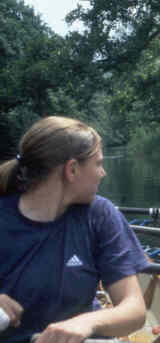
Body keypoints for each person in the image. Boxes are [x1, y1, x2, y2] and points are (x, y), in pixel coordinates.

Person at [0, 116, 148, 343]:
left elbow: (135, 311)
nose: (103, 173)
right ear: (72, 170)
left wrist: (87, 322)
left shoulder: (100, 215)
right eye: (98, 164)